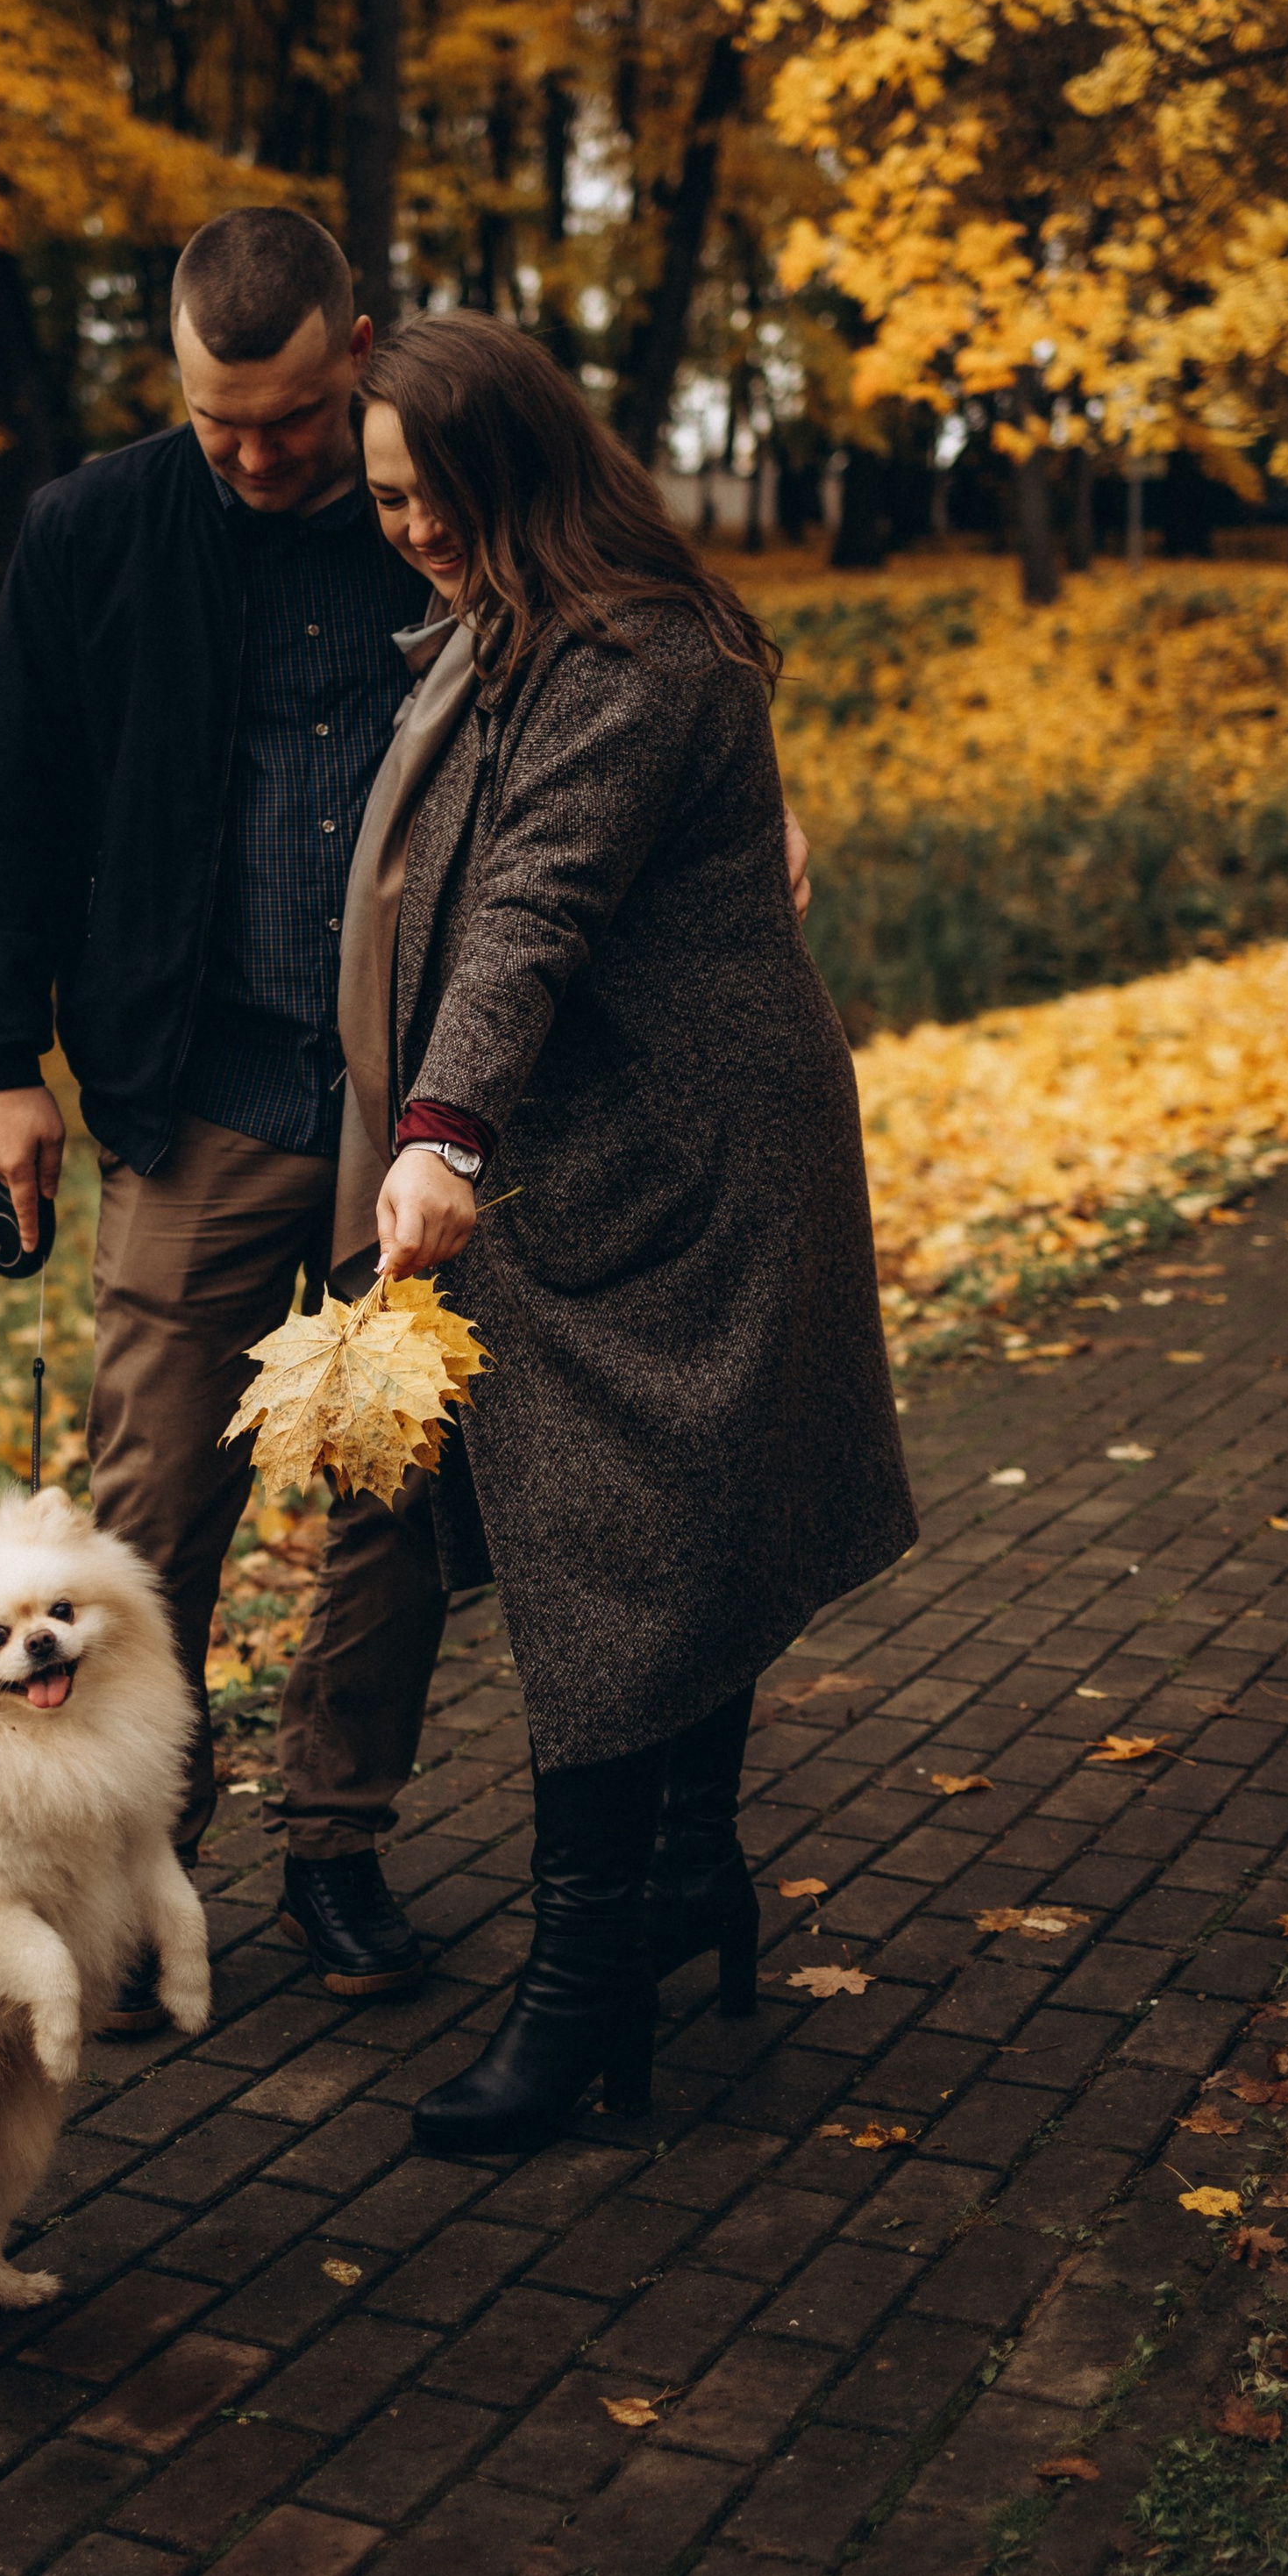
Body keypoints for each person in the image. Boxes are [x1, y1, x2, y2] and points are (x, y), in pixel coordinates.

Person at [0, 210, 814, 2027]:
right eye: (212, 419)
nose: (253, 455)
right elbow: (7, 812)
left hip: (412, 1103)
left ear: (353, 350)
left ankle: (332, 1846)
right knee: (147, 1501)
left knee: (396, 1506)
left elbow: (622, 709)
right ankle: (127, 1866)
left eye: (281, 417)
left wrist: (743, 819)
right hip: (191, 1096)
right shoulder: (94, 530)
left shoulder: (446, 505)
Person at [331, 311, 917, 2156]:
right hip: (603, 1151)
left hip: (687, 1167)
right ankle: (684, 1879)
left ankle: (581, 1987)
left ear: (509, 470)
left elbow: (532, 900)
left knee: (627, 1556)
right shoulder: (521, 635)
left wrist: (437, 1126)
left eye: (426, 492)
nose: (406, 526)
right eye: (381, 500)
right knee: (664, 1539)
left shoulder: (632, 653)